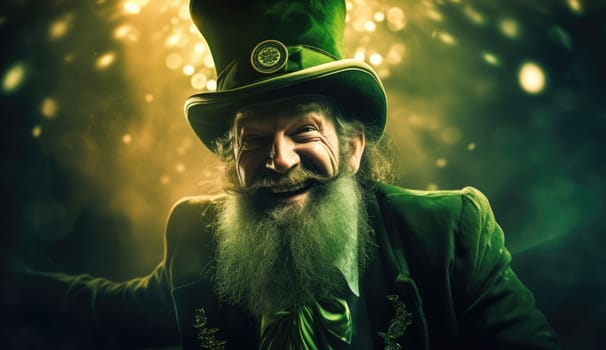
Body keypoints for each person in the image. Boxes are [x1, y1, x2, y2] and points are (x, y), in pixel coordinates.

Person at [3, 0, 560, 349]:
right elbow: (104, 311)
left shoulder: (448, 236)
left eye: (304, 131)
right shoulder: (198, 239)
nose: (280, 159)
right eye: (253, 140)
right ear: (231, 161)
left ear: (353, 148)